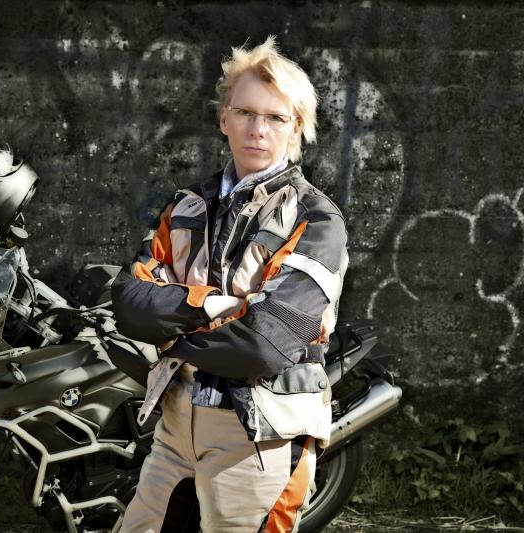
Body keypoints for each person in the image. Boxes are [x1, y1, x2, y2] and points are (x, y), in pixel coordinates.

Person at [111, 36, 348, 533]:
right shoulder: (186, 207)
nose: (257, 129)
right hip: (177, 423)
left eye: (276, 117)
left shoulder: (317, 219)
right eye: (245, 112)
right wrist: (218, 305)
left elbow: (264, 343)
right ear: (224, 118)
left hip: (261, 433)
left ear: (296, 128)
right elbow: (130, 304)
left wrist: (172, 334)